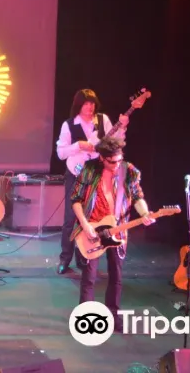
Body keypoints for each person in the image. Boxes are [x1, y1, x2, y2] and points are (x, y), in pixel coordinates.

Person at [69, 136, 153, 332]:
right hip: (92, 227)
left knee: (116, 276)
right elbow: (75, 199)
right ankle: (86, 319)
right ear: (102, 158)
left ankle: (113, 316)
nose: (116, 165)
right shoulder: (90, 169)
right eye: (112, 162)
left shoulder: (128, 170)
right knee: (89, 278)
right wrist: (85, 225)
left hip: (117, 229)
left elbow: (138, 196)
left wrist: (145, 213)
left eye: (119, 160)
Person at [54, 89, 128, 274]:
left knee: (90, 218)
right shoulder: (69, 125)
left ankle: (84, 256)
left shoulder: (103, 120)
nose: (90, 107)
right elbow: (61, 153)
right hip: (75, 173)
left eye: (93, 103)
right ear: (79, 105)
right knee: (71, 218)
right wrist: (78, 145)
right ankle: (65, 258)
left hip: (96, 175)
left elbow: (115, 143)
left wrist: (122, 127)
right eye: (86, 103)